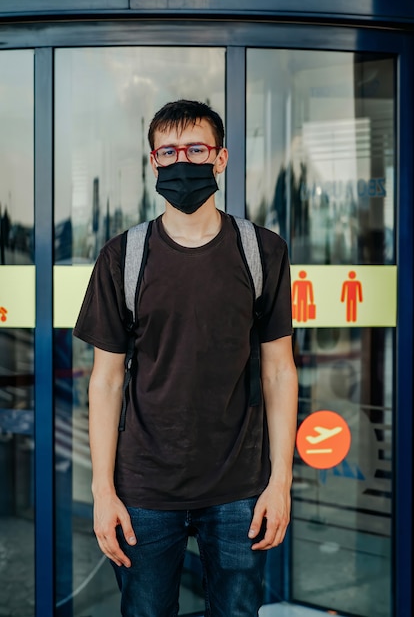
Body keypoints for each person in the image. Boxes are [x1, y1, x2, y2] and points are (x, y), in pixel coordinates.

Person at [73, 99, 298, 617]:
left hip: (239, 488)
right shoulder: (122, 257)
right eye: (168, 151)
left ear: (221, 158)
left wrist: (280, 482)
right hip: (144, 492)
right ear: (153, 162)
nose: (182, 162)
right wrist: (103, 493)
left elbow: (279, 370)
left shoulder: (261, 252)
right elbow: (105, 382)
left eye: (196, 149)